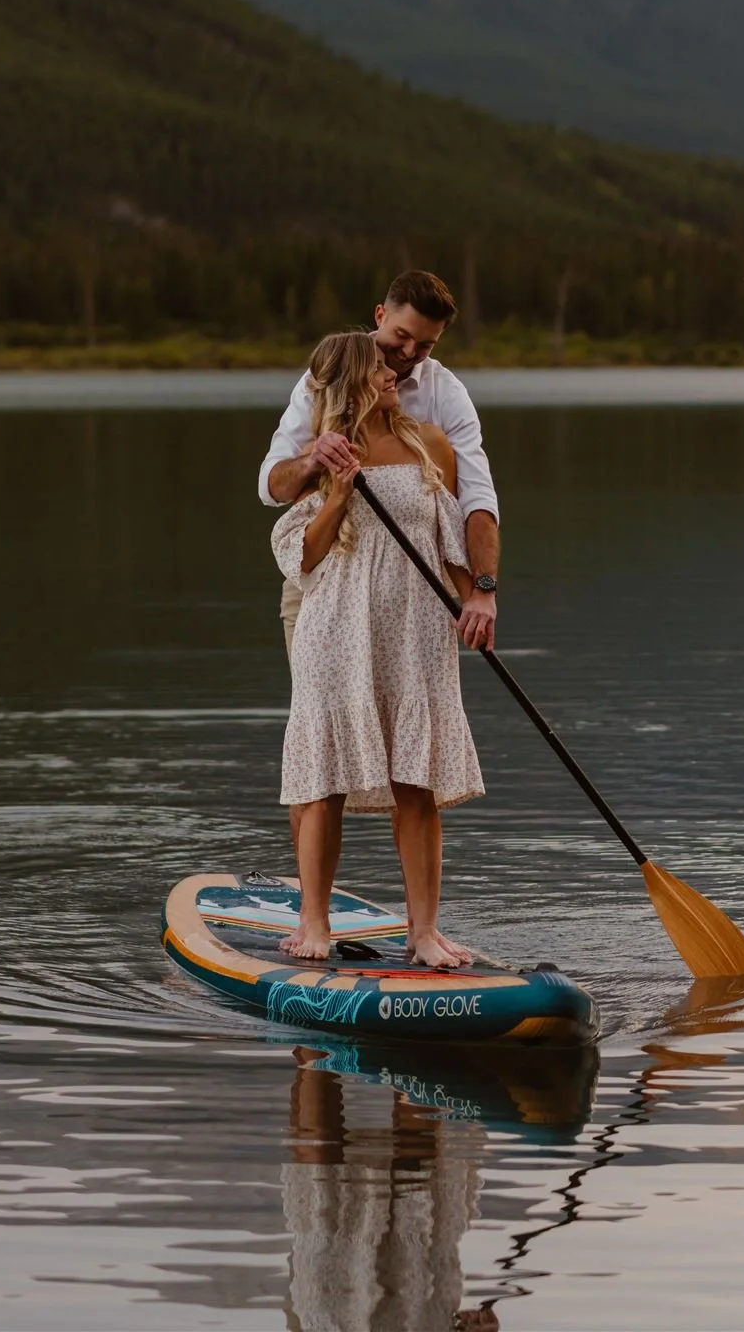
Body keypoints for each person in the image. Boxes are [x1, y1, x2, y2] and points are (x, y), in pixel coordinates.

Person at [271, 330, 484, 967]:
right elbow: (304, 556)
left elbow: (453, 539)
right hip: (336, 626)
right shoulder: (325, 452)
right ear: (353, 381)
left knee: (416, 783)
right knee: (325, 778)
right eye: (380, 368)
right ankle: (314, 923)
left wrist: (478, 601)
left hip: (416, 633)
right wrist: (336, 489)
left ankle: (423, 933)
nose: (395, 373)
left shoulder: (431, 445)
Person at [259, 270, 500, 655]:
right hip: (323, 592)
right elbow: (272, 488)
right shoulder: (323, 379)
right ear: (380, 315)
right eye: (402, 337)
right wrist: (313, 461)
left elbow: (474, 501)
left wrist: (482, 592)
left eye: (425, 345)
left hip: (413, 597)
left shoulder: (445, 395)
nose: (407, 355)